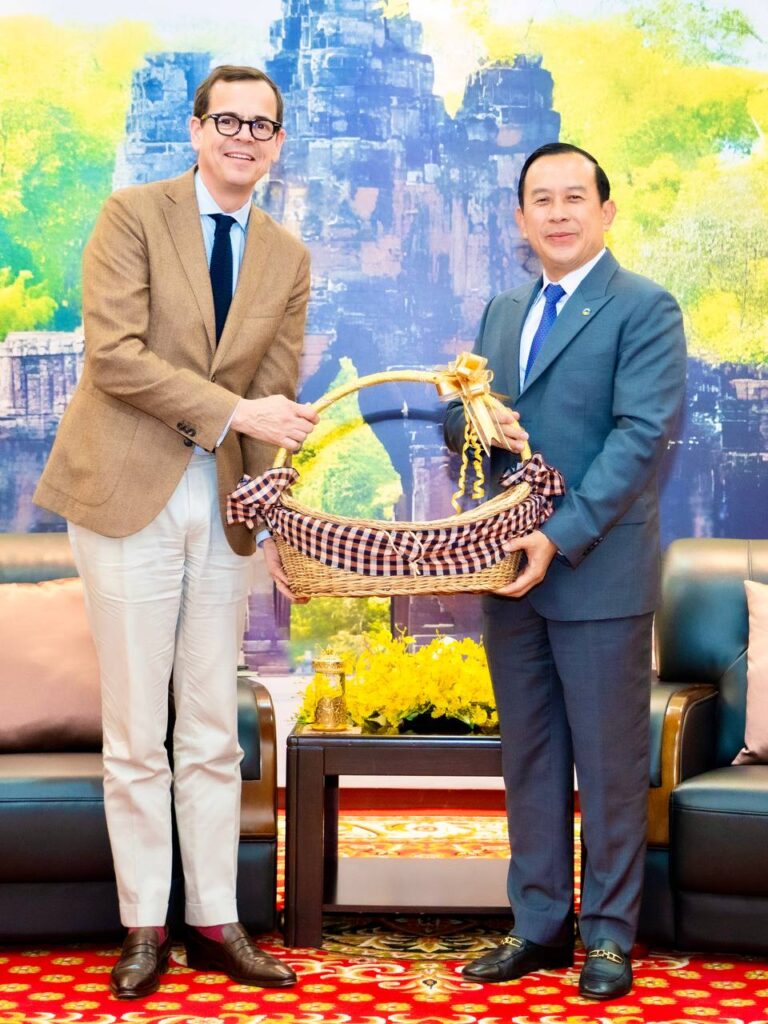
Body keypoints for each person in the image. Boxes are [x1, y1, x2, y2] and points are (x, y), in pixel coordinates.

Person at [34, 64, 318, 999]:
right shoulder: (132, 215)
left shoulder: (287, 255)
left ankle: (214, 921)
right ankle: (143, 926)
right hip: (127, 491)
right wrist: (234, 413)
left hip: (225, 503)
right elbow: (114, 358)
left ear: (278, 144)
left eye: (261, 125)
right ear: (196, 131)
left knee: (210, 728)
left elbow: (274, 398)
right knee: (135, 731)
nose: (243, 137)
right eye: (226, 120)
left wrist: (275, 523)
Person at [444, 142, 686, 1000]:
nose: (557, 213)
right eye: (540, 200)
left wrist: (562, 532)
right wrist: (472, 420)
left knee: (610, 765)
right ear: (520, 218)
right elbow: (462, 426)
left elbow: (640, 437)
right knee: (531, 757)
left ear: (606, 211)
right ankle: (539, 925)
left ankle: (610, 936)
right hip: (510, 571)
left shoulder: (645, 307)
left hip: (595, 569)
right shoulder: (503, 310)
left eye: (573, 197)